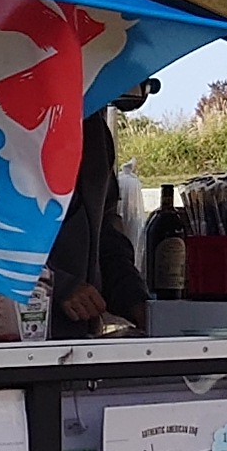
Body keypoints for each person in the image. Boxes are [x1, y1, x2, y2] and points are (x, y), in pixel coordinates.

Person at [45, 102, 146, 333]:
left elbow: (106, 236)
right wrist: (58, 285)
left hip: (78, 336)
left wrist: (136, 300)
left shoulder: (95, 132)